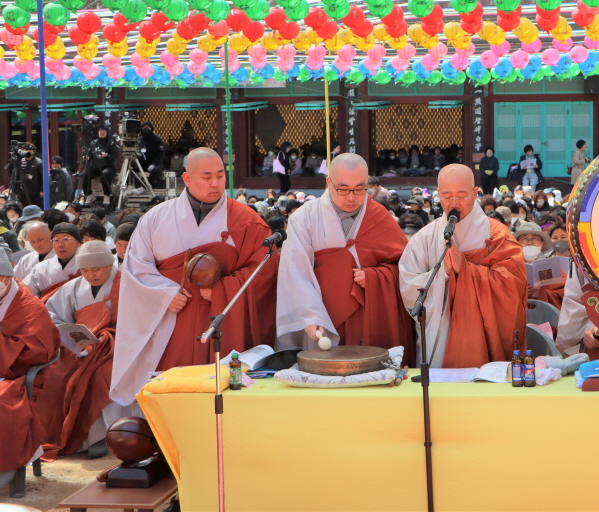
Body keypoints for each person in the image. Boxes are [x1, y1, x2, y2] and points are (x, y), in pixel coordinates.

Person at [110, 148, 280, 406]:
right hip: (171, 319)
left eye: (220, 175)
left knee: (221, 396)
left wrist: (223, 289)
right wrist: (164, 293)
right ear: (187, 179)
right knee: (172, 392)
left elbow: (265, 268)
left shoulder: (246, 219)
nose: (216, 183)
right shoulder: (156, 219)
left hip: (223, 320)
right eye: (207, 177)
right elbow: (135, 268)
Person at [275, 154, 415, 364]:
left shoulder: (379, 216)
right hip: (323, 314)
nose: (351, 197)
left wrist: (376, 277)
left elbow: (406, 267)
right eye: (343, 189)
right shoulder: (304, 218)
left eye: (359, 189)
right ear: (328, 182)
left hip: (369, 315)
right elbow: (294, 273)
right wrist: (310, 315)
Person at [399, 164, 527, 368]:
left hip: (482, 334)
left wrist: (466, 270)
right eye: (447, 196)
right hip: (440, 333)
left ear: (475, 193)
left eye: (461, 196)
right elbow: (408, 285)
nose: (454, 203)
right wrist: (443, 273)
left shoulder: (496, 234)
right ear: (438, 194)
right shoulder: (424, 238)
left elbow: (513, 285)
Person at [41, 241, 133, 459]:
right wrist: (75, 338)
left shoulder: (128, 284)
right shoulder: (73, 287)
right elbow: (53, 316)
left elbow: (140, 323)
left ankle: (104, 435)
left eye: (95, 269)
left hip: (117, 347)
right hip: (78, 347)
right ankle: (63, 434)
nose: (90, 275)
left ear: (109, 265)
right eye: (84, 270)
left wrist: (106, 339)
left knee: (101, 374)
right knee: (54, 373)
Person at [0, 253, 60, 489]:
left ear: (7, 276)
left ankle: (4, 470)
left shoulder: (30, 308)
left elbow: (35, 352)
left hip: (18, 375)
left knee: (4, 405)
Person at [25, 223, 82, 299]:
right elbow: (26, 293)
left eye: (65, 239)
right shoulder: (40, 269)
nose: (60, 245)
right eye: (56, 240)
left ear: (77, 242)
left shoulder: (87, 266)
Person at [83, 125, 119, 203]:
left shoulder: (111, 143)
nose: (102, 132)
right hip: (96, 166)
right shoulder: (93, 143)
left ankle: (106, 195)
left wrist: (106, 155)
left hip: (108, 166)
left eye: (104, 131)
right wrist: (88, 157)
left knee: (105, 174)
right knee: (85, 173)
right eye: (100, 130)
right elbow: (90, 154)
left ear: (107, 132)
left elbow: (114, 156)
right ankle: (89, 195)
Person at [137, 121, 166, 186]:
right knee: (131, 166)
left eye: (148, 127)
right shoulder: (139, 140)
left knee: (157, 170)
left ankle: (146, 186)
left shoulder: (157, 139)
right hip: (143, 162)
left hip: (155, 163)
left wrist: (153, 164)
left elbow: (160, 154)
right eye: (144, 127)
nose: (146, 128)